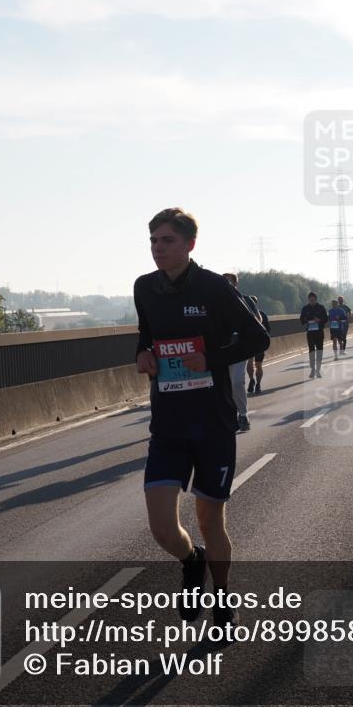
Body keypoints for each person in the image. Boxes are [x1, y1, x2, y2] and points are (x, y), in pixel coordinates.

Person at [135, 208, 269, 629]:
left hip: (212, 423)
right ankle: (191, 561)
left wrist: (209, 360)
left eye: (167, 241)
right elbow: (146, 333)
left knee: (210, 519)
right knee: (161, 527)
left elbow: (257, 336)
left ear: (189, 244)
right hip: (169, 424)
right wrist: (141, 354)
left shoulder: (213, 288)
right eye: (153, 240)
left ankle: (222, 599)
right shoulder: (144, 288)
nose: (158, 248)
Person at [222, 273, 258, 432]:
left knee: (237, 381)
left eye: (229, 283)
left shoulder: (246, 300)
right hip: (220, 350)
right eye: (223, 283)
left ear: (235, 285)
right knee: (224, 385)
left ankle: (243, 415)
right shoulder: (213, 303)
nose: (226, 286)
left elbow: (258, 321)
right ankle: (229, 415)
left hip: (239, 349)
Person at [299, 292, 328, 378]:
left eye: (313, 299)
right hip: (310, 333)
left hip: (319, 333)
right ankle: (312, 369)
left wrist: (319, 320)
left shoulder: (321, 307)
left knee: (319, 351)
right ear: (308, 299)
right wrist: (306, 320)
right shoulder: (305, 308)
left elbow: (326, 319)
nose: (311, 300)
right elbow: (301, 320)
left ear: (315, 299)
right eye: (310, 299)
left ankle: (318, 370)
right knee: (311, 351)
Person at [246, 296, 270, 395]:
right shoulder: (245, 314)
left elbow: (268, 329)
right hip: (250, 344)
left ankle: (258, 384)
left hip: (259, 344)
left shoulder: (262, 315)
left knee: (258, 365)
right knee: (250, 364)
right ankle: (252, 380)